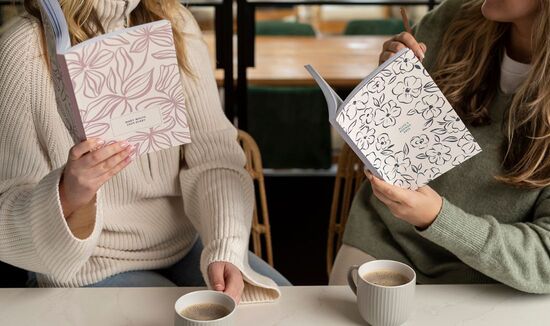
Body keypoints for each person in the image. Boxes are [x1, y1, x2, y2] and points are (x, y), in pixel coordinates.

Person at [0, 0, 289, 303]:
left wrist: (225, 247)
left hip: (187, 246)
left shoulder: (175, 22)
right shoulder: (22, 48)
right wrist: (67, 195)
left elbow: (214, 158)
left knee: (284, 310)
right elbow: (6, 205)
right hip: (90, 268)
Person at [330, 0, 550, 293]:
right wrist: (388, 82)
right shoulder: (449, 21)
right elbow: (394, 135)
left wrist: (438, 218)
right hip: (384, 243)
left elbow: (544, 260)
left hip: (495, 280)